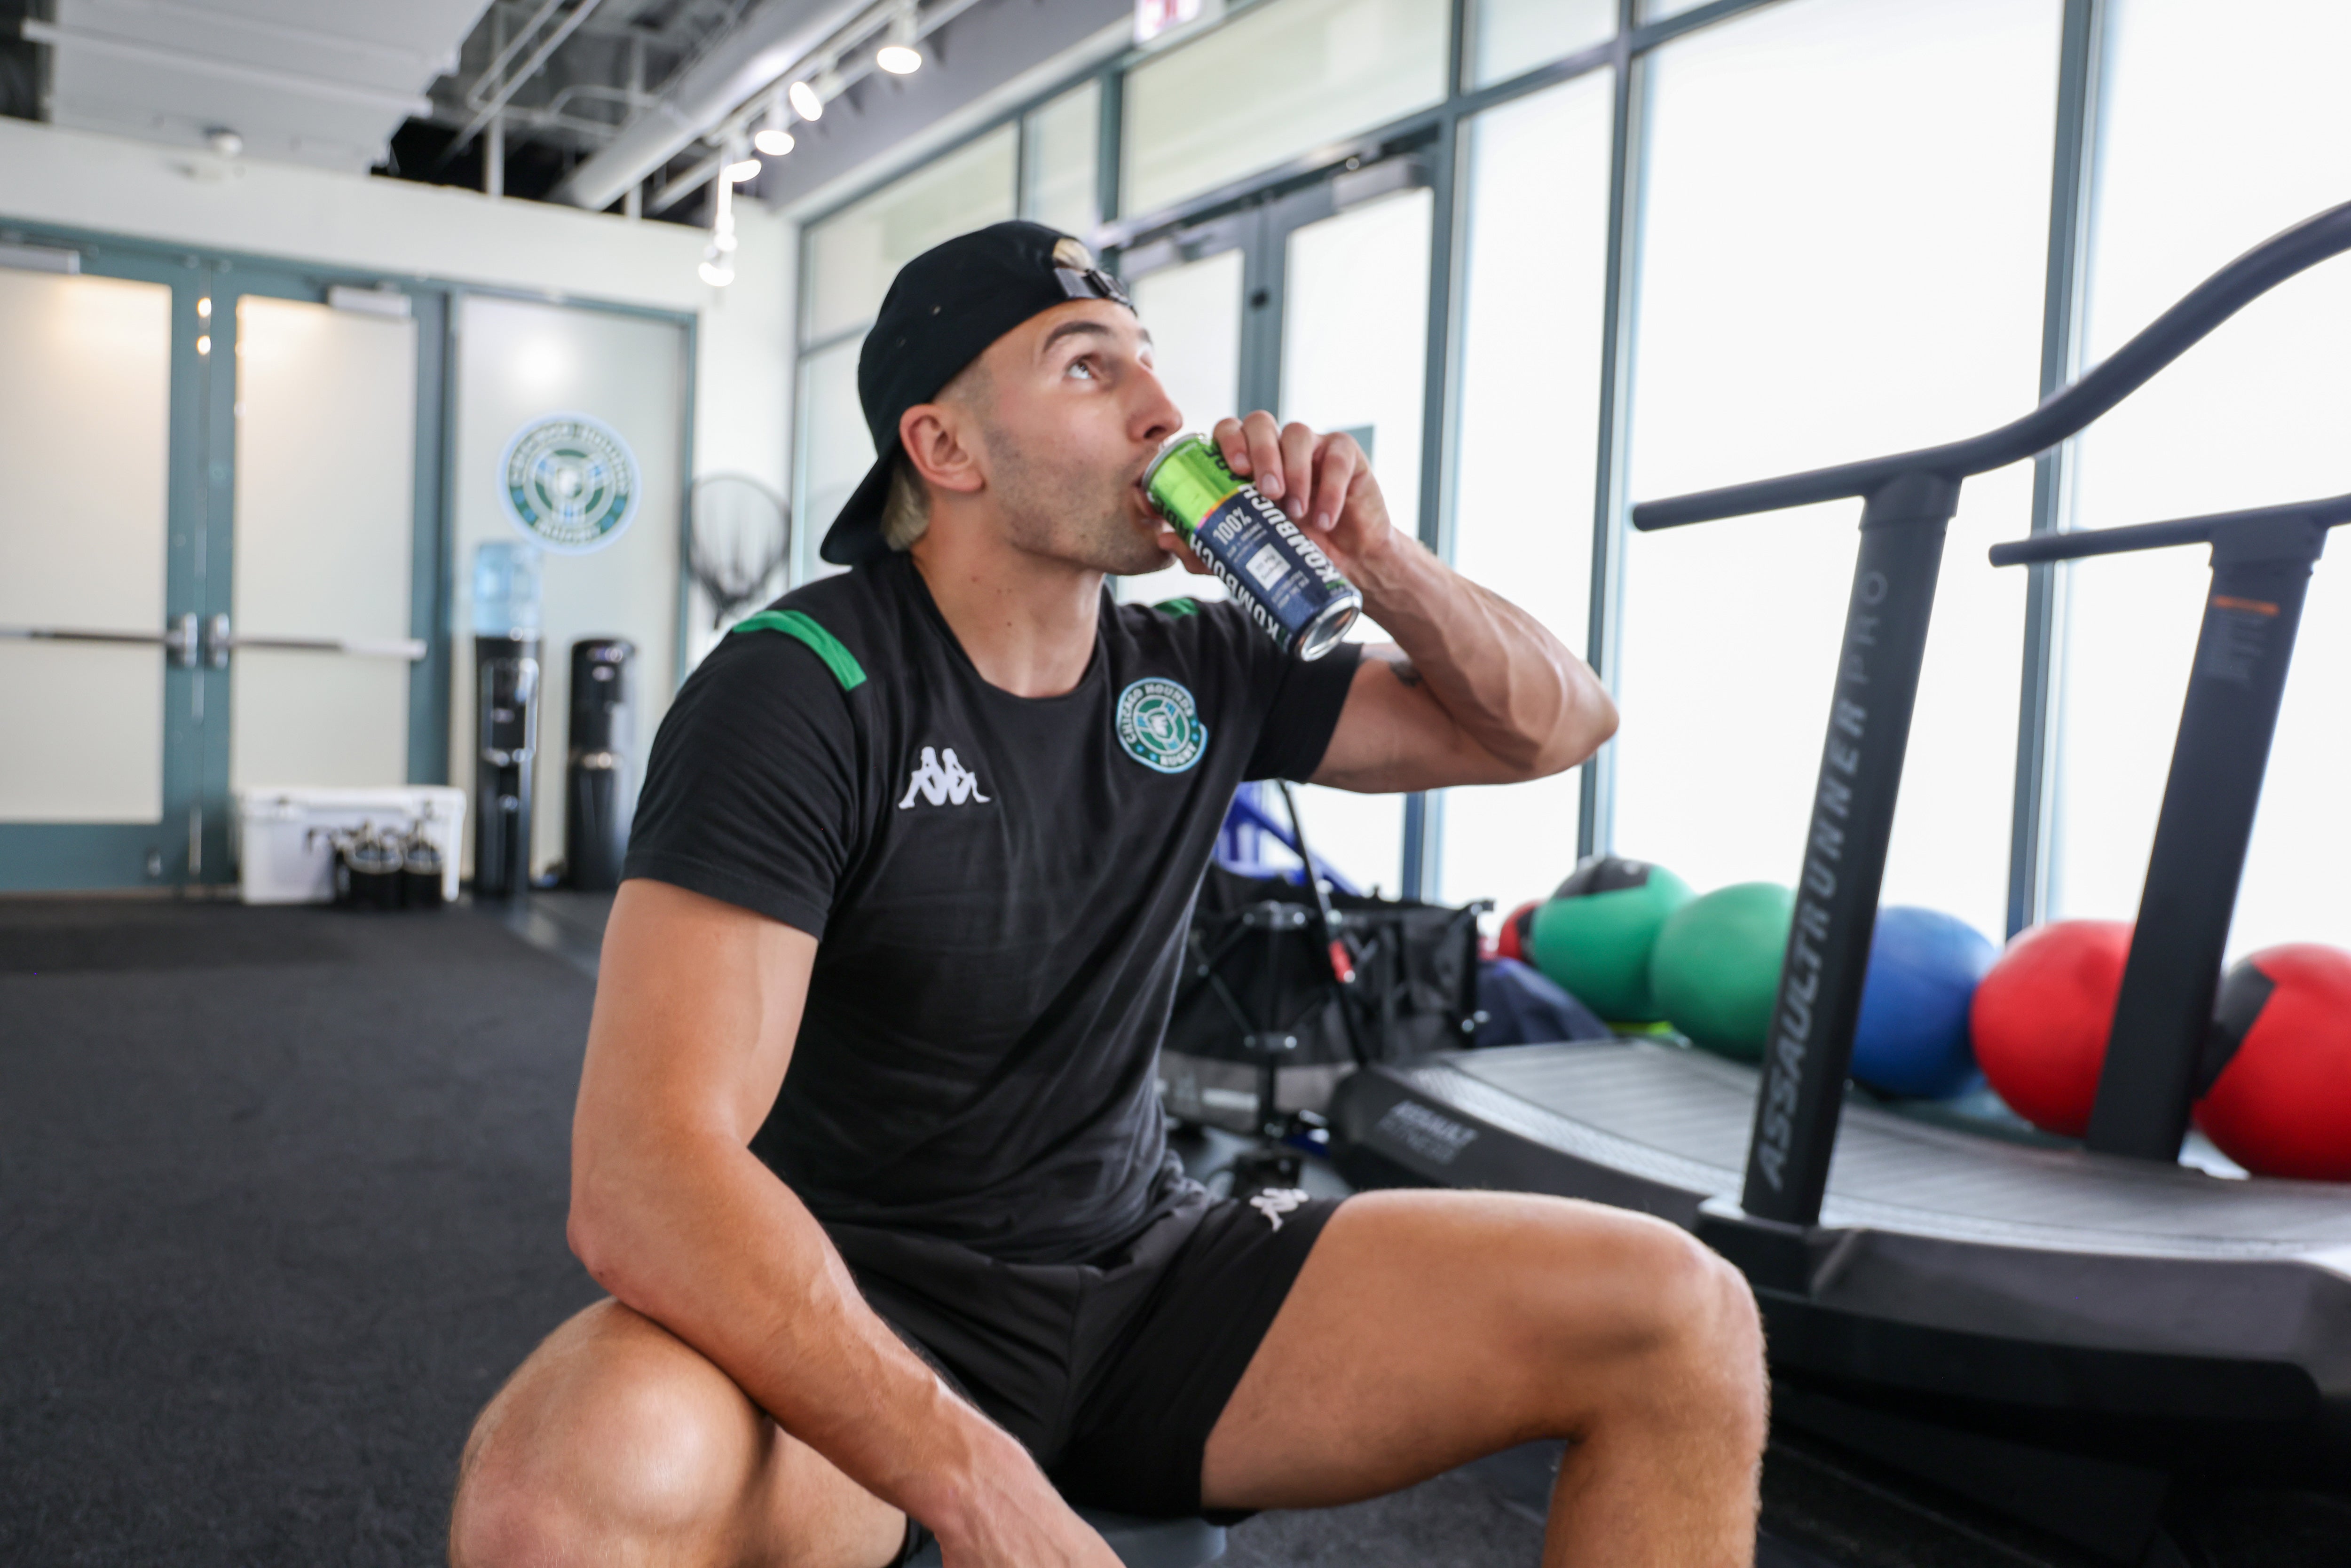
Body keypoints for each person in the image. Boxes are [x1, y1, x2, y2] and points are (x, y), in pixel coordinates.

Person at [449, 222, 1766, 1568]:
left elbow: (1550, 728)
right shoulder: (802, 689)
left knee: (1681, 1313)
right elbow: (644, 1178)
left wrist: (1381, 559)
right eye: (1088, 369)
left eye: (1148, 360)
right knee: (566, 1487)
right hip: (859, 1303)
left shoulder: (1198, 665)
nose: (1161, 410)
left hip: (1148, 1280)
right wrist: (980, 1483)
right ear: (945, 450)